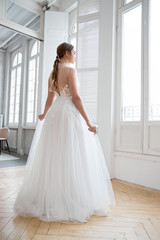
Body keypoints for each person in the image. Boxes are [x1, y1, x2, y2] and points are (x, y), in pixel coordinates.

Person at [14, 42, 116, 224]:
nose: (76, 55)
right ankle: (71, 198)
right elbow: (76, 97)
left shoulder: (53, 73)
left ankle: (50, 197)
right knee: (73, 155)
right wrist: (89, 122)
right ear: (67, 53)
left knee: (54, 156)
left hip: (55, 116)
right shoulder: (71, 70)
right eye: (74, 52)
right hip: (69, 115)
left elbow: (50, 97)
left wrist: (44, 114)